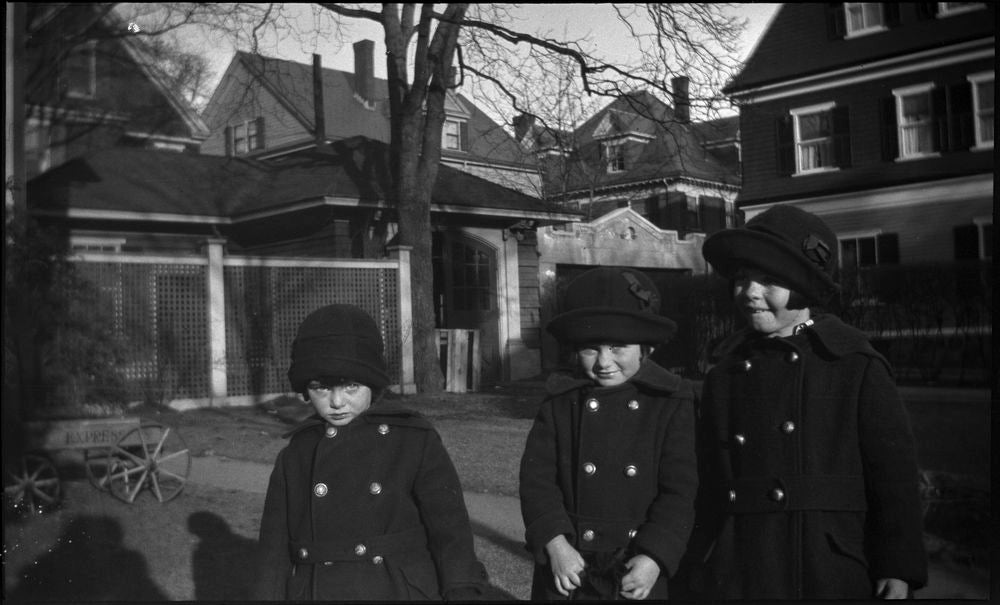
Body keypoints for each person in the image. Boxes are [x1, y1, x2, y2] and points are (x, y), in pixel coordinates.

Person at [676, 205, 928, 599]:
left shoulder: (852, 364)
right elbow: (708, 478)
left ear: (805, 287)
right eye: (742, 279)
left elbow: (893, 476)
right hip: (739, 559)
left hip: (823, 558)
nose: (751, 293)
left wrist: (898, 564)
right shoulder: (724, 373)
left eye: (770, 280)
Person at [254, 304, 488, 601]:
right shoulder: (296, 454)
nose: (336, 402)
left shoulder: (413, 441)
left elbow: (450, 532)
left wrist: (462, 591)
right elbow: (272, 556)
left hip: (395, 589)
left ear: (373, 383)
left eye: (351, 386)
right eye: (320, 388)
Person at [519, 267, 698, 600]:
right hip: (569, 567)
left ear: (646, 348)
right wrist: (555, 545)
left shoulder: (670, 403)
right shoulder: (561, 402)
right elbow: (536, 481)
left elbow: (681, 491)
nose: (604, 362)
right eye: (590, 349)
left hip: (636, 567)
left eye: (618, 347)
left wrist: (654, 556)